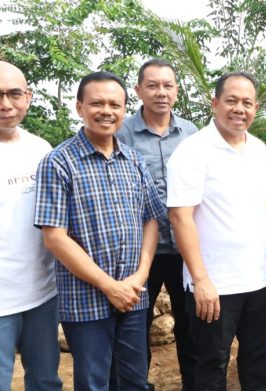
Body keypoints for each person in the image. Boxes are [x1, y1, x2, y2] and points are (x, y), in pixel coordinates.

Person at [34, 71, 166, 391]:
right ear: (80, 107)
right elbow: (54, 237)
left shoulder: (133, 160)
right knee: (94, 383)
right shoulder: (58, 162)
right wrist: (110, 286)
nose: (106, 111)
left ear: (124, 110)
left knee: (134, 379)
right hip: (86, 300)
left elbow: (152, 219)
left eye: (114, 104)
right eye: (97, 103)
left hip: (133, 296)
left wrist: (139, 278)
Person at [167, 71, 266, 390]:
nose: (240, 109)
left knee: (255, 359)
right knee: (211, 364)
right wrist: (201, 280)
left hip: (259, 279)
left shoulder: (258, 150)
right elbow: (180, 218)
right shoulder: (192, 150)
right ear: (215, 103)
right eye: (232, 101)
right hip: (214, 284)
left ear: (255, 108)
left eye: (247, 103)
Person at [116, 58, 198, 390]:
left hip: (186, 249)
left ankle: (193, 384)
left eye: (167, 85)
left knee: (191, 325)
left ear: (176, 91)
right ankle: (137, 384)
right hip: (142, 252)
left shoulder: (191, 133)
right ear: (138, 90)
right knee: (136, 326)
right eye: (152, 85)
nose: (160, 92)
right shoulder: (121, 132)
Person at [0, 61, 62, 391]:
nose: (5, 105)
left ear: (29, 97)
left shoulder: (41, 149)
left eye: (13, 94)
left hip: (41, 294)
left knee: (45, 381)